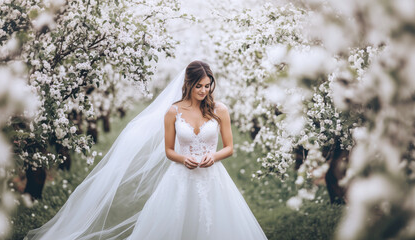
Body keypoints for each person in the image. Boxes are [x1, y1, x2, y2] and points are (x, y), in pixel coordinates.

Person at [25, 61, 267, 240]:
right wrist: (184, 159)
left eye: (207, 86)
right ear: (188, 85)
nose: (204, 91)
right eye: (199, 86)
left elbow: (230, 148)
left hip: (212, 178)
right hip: (181, 177)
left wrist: (212, 156)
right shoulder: (173, 111)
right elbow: (169, 151)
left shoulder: (220, 110)